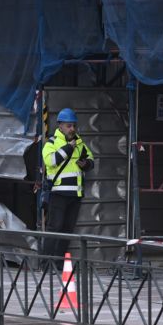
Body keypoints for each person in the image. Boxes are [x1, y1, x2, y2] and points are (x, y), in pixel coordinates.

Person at [42, 108, 94, 271]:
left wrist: (86, 164)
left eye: (74, 126)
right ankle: (45, 264)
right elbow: (51, 161)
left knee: (67, 231)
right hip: (58, 193)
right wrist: (68, 148)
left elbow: (91, 159)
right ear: (60, 126)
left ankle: (57, 265)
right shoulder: (51, 143)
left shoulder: (80, 143)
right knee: (54, 229)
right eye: (69, 126)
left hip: (75, 195)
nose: (72, 129)